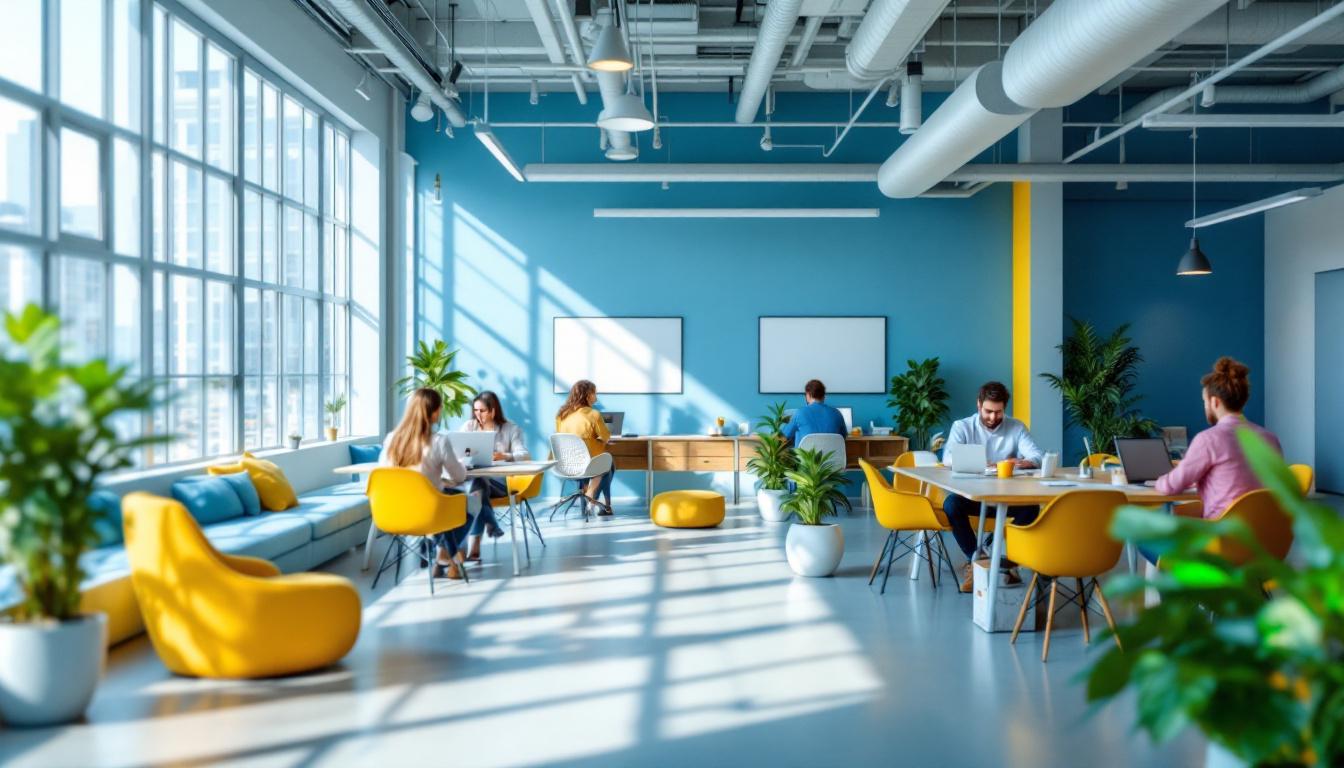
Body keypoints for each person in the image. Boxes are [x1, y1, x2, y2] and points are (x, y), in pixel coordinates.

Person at [1148, 357, 1282, 558]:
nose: (1205, 407)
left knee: (1147, 540)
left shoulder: (1209, 439)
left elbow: (1171, 486)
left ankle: (1168, 588)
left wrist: (1158, 481)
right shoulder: (1270, 439)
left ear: (1214, 401)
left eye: (1204, 402)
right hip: (1265, 543)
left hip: (1220, 543)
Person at [941, 381, 1045, 592]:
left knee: (1032, 507)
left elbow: (1037, 456)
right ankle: (977, 560)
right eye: (988, 411)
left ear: (1004, 408)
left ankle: (1005, 560)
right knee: (952, 504)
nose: (992, 417)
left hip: (1008, 497)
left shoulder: (1016, 427)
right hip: (975, 499)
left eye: (998, 412)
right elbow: (948, 458)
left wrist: (1025, 461)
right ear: (979, 405)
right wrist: (986, 464)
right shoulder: (962, 426)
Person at [381, 388, 477, 580]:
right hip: (430, 512)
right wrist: (464, 465)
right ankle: (444, 557)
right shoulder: (439, 441)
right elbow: (458, 476)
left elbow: (384, 473)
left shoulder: (391, 439)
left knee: (448, 500)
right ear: (432, 412)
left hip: (393, 511)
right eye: (440, 408)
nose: (441, 411)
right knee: (471, 503)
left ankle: (445, 558)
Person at [459, 390, 531, 561]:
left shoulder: (511, 429)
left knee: (477, 490)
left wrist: (505, 456)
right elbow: (457, 450)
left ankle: (475, 544)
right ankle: (491, 523)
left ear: (493, 410)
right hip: (474, 482)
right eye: (475, 410)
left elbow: (524, 454)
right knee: (478, 487)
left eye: (482, 411)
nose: (478, 415)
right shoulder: (469, 427)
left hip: (501, 482)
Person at [555, 379, 613, 515]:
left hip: (565, 462)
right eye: (594, 393)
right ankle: (594, 497)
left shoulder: (561, 415)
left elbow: (561, 437)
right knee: (609, 465)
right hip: (586, 463)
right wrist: (601, 439)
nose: (596, 396)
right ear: (587, 395)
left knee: (603, 465)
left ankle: (591, 496)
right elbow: (606, 437)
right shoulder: (593, 414)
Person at [780, 379, 848, 446]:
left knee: (798, 433)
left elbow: (784, 436)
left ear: (808, 395)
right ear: (824, 396)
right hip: (832, 456)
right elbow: (843, 437)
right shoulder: (837, 413)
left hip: (807, 456)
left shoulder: (800, 413)